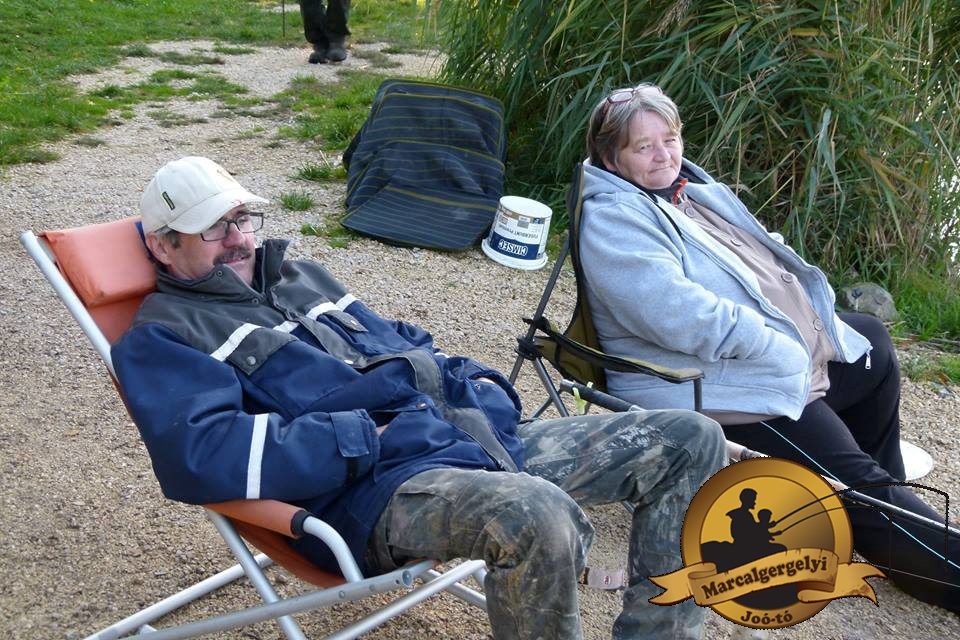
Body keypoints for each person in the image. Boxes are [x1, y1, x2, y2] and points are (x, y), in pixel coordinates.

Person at [111, 155, 727, 639]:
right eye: (213, 228)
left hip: (461, 439)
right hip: (374, 489)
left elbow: (403, 344)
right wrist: (363, 436)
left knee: (689, 438)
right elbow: (202, 454)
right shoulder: (165, 336)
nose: (238, 239)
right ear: (163, 245)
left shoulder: (298, 277)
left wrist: (478, 384)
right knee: (534, 513)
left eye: (243, 218)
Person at [578, 83, 960, 613]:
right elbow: (677, 315)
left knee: (870, 344)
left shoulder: (685, 191)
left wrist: (807, 320)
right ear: (610, 158)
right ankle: (908, 533)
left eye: (670, 139)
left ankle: (886, 523)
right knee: (856, 480)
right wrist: (781, 345)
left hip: (771, 361)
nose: (664, 155)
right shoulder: (614, 218)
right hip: (719, 386)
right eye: (644, 147)